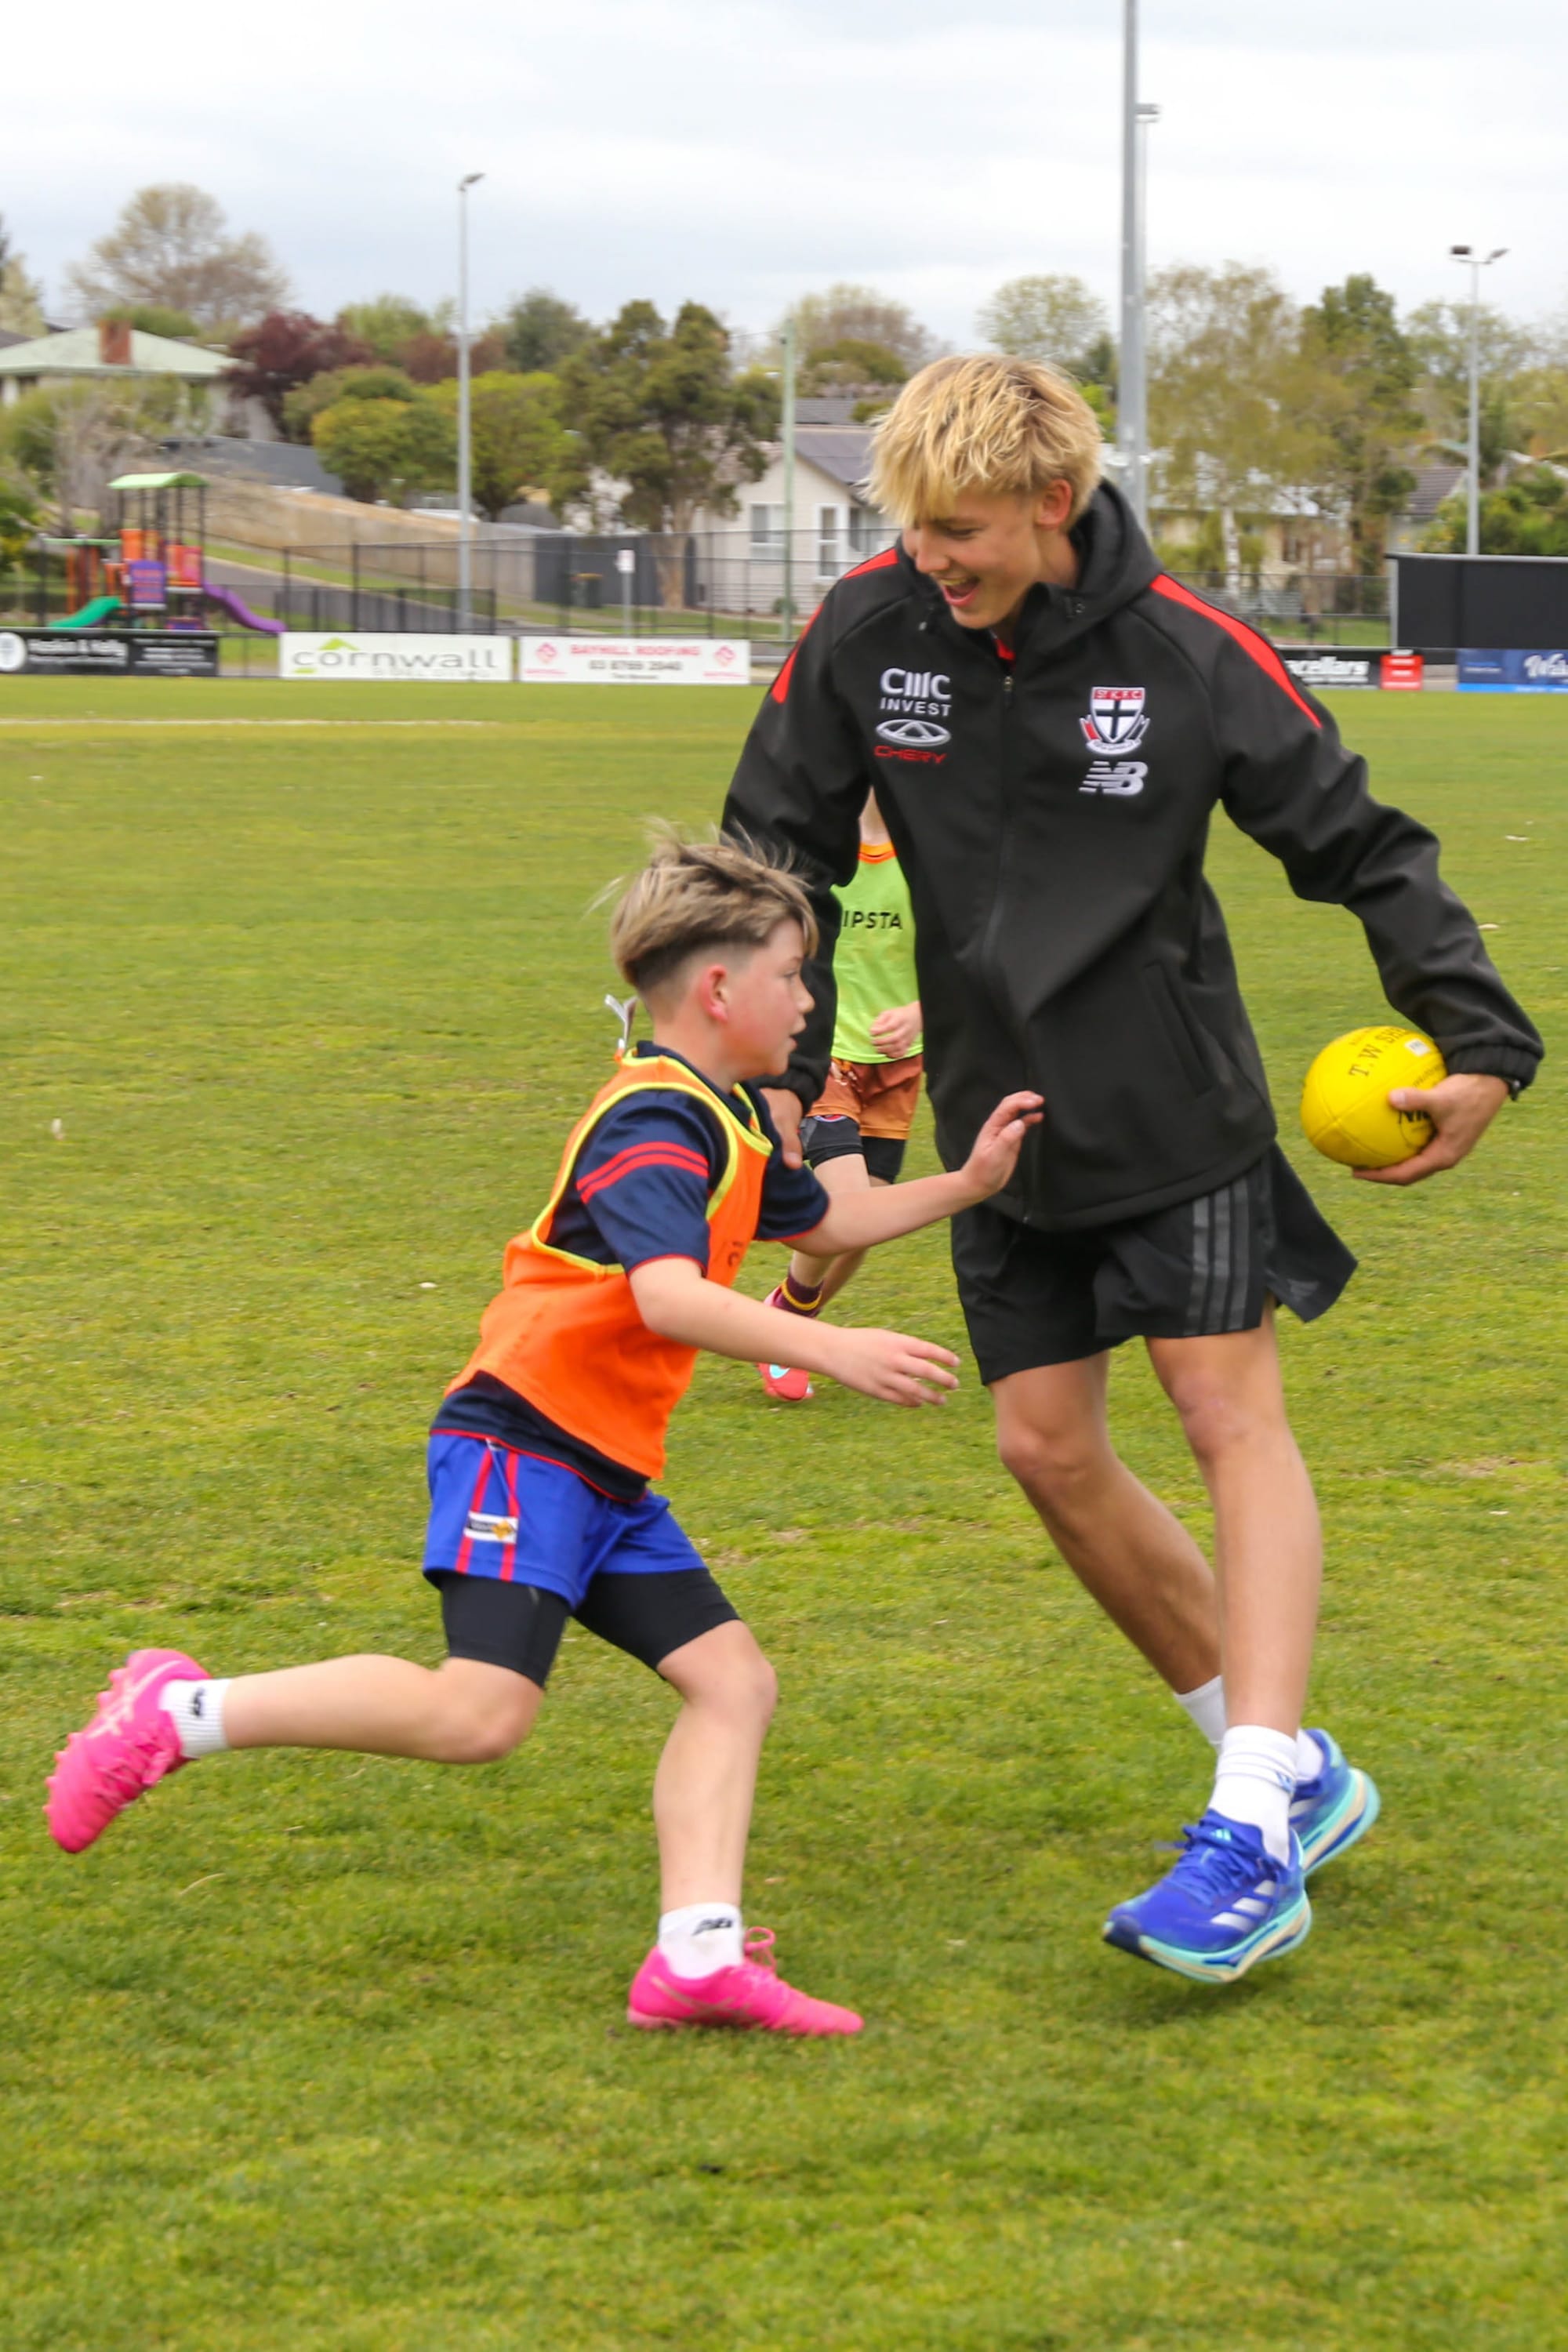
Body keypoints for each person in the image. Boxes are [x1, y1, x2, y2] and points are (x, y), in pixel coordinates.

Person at [723, 355, 1543, 1986]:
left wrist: (1477, 1040)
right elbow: (773, 863)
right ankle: (1287, 1770)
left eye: (956, 529)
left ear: (1051, 504)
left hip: (1177, 1108)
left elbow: (1358, 843)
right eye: (909, 528)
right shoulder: (869, 631)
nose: (927, 559)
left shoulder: (1184, 646)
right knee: (1043, 1450)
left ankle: (1242, 1823)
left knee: (1225, 1412)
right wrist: (778, 1109)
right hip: (992, 1122)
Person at [46, 835, 1040, 2036]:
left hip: (603, 1464)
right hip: (525, 1440)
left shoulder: (724, 1114)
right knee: (481, 1711)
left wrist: (970, 1183)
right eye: (793, 974)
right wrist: (831, 1346)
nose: (810, 999)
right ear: (720, 992)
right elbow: (668, 1294)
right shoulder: (655, 1124)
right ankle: (175, 1713)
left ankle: (698, 1957)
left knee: (732, 1682)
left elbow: (829, 1211)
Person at [758, 786, 923, 1402]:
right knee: (850, 1215)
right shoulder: (816, 858)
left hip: (899, 1066)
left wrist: (920, 1013)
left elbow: (960, 957)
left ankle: (789, 1312)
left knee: (869, 1225)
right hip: (827, 1059)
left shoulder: (925, 856)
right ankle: (789, 1329)